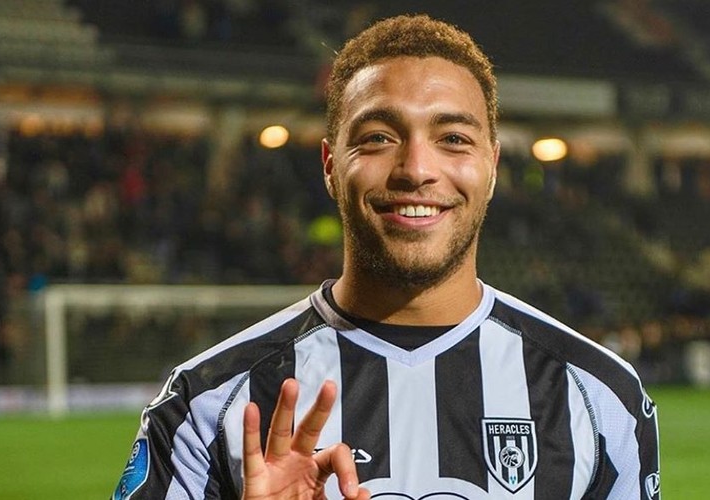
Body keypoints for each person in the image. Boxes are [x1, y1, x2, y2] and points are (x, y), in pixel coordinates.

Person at [113, 14, 660, 500]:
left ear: (492, 167)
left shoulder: (599, 400)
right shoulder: (206, 403)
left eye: (453, 138)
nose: (416, 169)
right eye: (378, 137)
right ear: (331, 165)